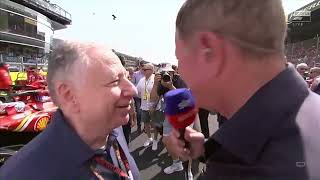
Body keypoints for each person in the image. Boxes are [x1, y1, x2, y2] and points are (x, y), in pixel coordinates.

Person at [169, 0, 320, 180]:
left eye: (179, 57)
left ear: (210, 50)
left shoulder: (237, 170)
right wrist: (206, 149)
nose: (180, 71)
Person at [0, 41, 140, 180]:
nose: (133, 90)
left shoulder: (113, 128)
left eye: (127, 77)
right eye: (115, 81)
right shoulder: (22, 174)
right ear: (69, 95)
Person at [150, 64, 188, 174]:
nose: (167, 75)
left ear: (173, 72)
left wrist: (171, 86)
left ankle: (188, 169)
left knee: (184, 142)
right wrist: (155, 84)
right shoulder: (161, 82)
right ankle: (177, 164)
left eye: (169, 72)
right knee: (166, 140)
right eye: (164, 73)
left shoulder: (179, 80)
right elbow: (153, 99)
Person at [136, 63, 162, 150]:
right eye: (143, 69)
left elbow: (160, 94)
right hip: (144, 106)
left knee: (155, 124)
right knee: (146, 124)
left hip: (155, 107)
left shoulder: (157, 79)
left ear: (151, 70)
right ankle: (149, 138)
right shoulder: (141, 80)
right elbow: (138, 93)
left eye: (145, 69)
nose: (143, 71)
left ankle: (155, 140)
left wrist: (154, 105)